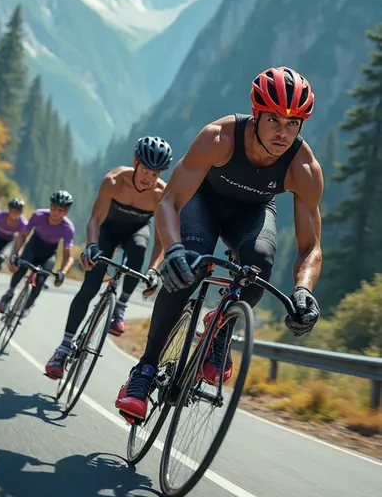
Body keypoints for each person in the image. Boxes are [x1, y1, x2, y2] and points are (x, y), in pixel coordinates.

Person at [115, 66, 324, 421]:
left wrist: (304, 290)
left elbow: (311, 247)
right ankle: (145, 372)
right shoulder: (219, 138)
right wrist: (173, 249)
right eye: (274, 119)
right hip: (203, 202)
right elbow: (169, 202)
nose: (283, 132)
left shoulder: (303, 168)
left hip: (254, 212)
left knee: (259, 266)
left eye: (294, 124)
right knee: (190, 265)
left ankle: (220, 326)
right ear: (256, 114)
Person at [44, 135, 173, 380]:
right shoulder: (113, 181)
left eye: (155, 174)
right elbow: (95, 220)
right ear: (136, 163)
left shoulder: (160, 194)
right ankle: (63, 348)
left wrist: (154, 271)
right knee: (89, 287)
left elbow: (161, 241)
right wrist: (92, 246)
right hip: (109, 230)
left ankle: (121, 305)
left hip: (137, 230)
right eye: (145, 170)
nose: (148, 179)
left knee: (138, 248)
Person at [0, 191, 75, 315]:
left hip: (49, 253)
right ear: (50, 206)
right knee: (22, 267)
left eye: (60, 210)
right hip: (33, 246)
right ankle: (9, 293)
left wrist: (63, 272)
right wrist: (15, 253)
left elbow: (68, 256)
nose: (55, 212)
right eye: (53, 208)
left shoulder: (68, 228)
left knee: (40, 280)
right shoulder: (38, 215)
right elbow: (23, 235)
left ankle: (27, 306)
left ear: (66, 212)